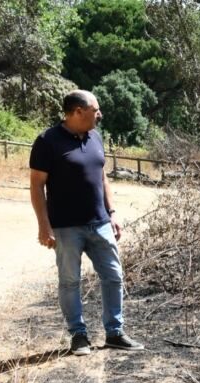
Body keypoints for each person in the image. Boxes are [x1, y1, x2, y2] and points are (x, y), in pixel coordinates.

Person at [29, 90, 144, 355]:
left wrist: (112, 213)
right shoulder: (47, 141)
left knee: (113, 276)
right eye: (96, 109)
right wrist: (43, 225)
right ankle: (78, 336)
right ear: (78, 111)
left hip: (100, 222)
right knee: (70, 281)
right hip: (66, 227)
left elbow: (102, 177)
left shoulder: (96, 137)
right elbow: (37, 186)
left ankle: (115, 333)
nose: (100, 114)